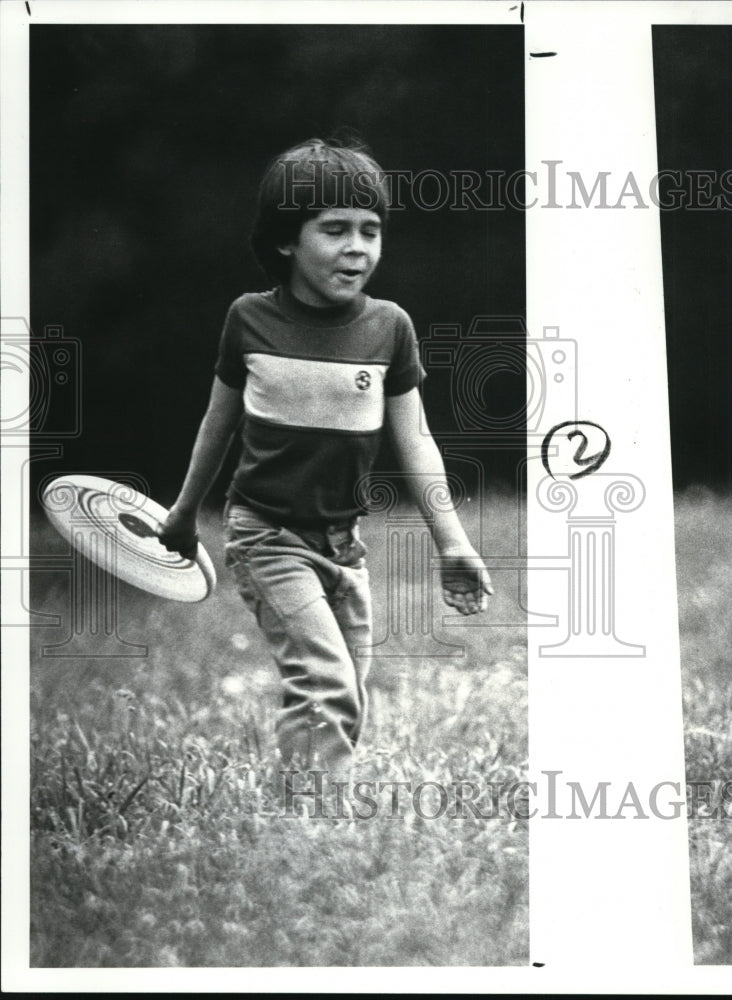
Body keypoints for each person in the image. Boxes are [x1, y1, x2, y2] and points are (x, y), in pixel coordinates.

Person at [157, 138, 492, 784]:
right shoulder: (248, 320)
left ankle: (302, 798)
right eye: (334, 229)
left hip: (344, 547)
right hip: (266, 537)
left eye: (370, 231)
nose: (357, 247)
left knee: (347, 690)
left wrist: (452, 542)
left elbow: (416, 440)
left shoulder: (389, 327)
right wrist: (183, 512)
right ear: (286, 240)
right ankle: (315, 819)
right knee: (325, 682)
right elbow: (217, 423)